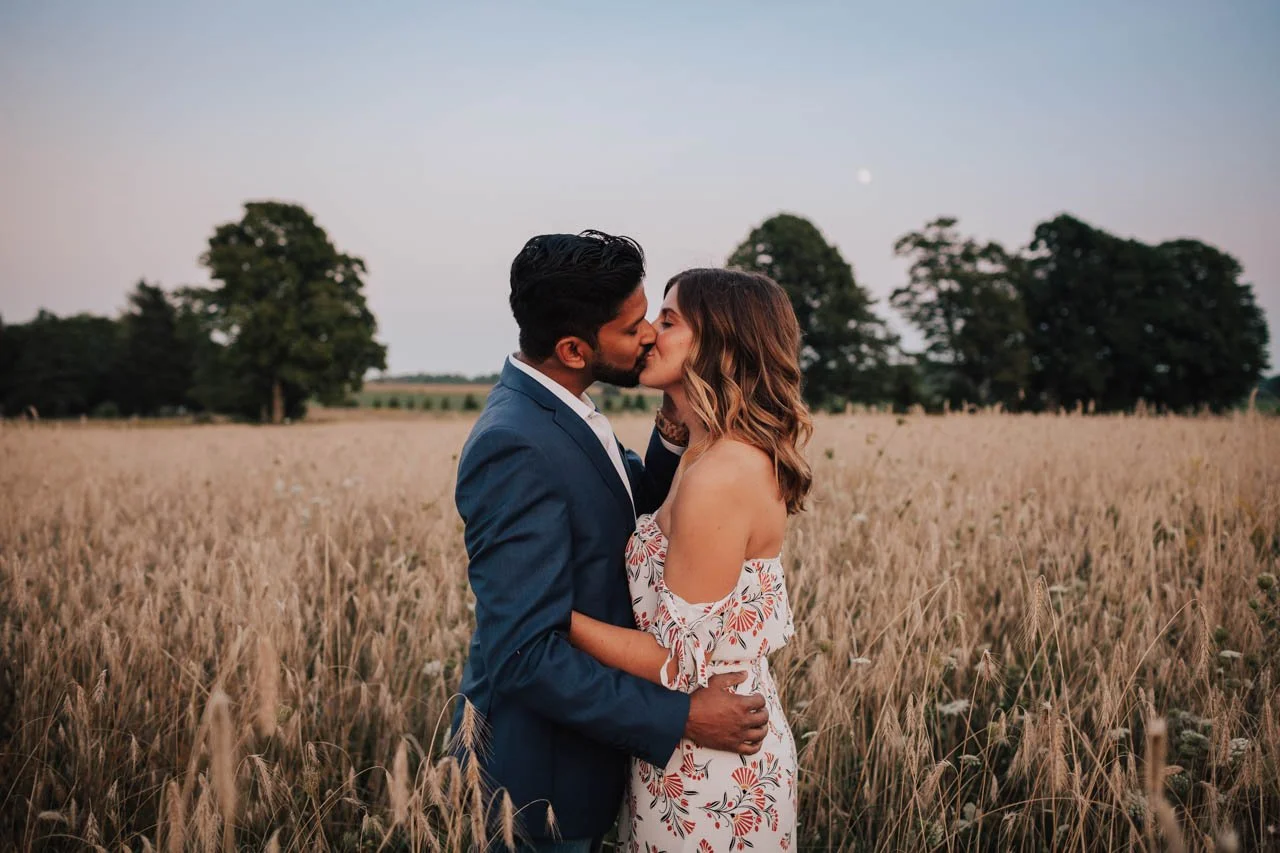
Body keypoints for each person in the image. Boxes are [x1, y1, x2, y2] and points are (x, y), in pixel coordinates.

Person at [451, 233, 770, 852]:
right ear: (574, 348)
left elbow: (628, 521)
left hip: (593, 756)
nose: (650, 332)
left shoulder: (563, 408)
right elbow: (522, 654)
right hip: (541, 784)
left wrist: (676, 436)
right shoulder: (514, 444)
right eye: (632, 328)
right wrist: (682, 716)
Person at [568, 268, 812, 851]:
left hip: (715, 766)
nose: (649, 332)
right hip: (687, 744)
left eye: (670, 320)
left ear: (720, 343)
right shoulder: (702, 454)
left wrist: (553, 619)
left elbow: (677, 661)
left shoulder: (723, 472)